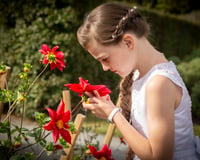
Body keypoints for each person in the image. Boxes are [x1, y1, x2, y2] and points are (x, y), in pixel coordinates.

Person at [76, 2, 200, 160]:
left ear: (128, 42)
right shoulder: (141, 76)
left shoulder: (158, 83)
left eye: (105, 59)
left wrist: (113, 114)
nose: (104, 68)